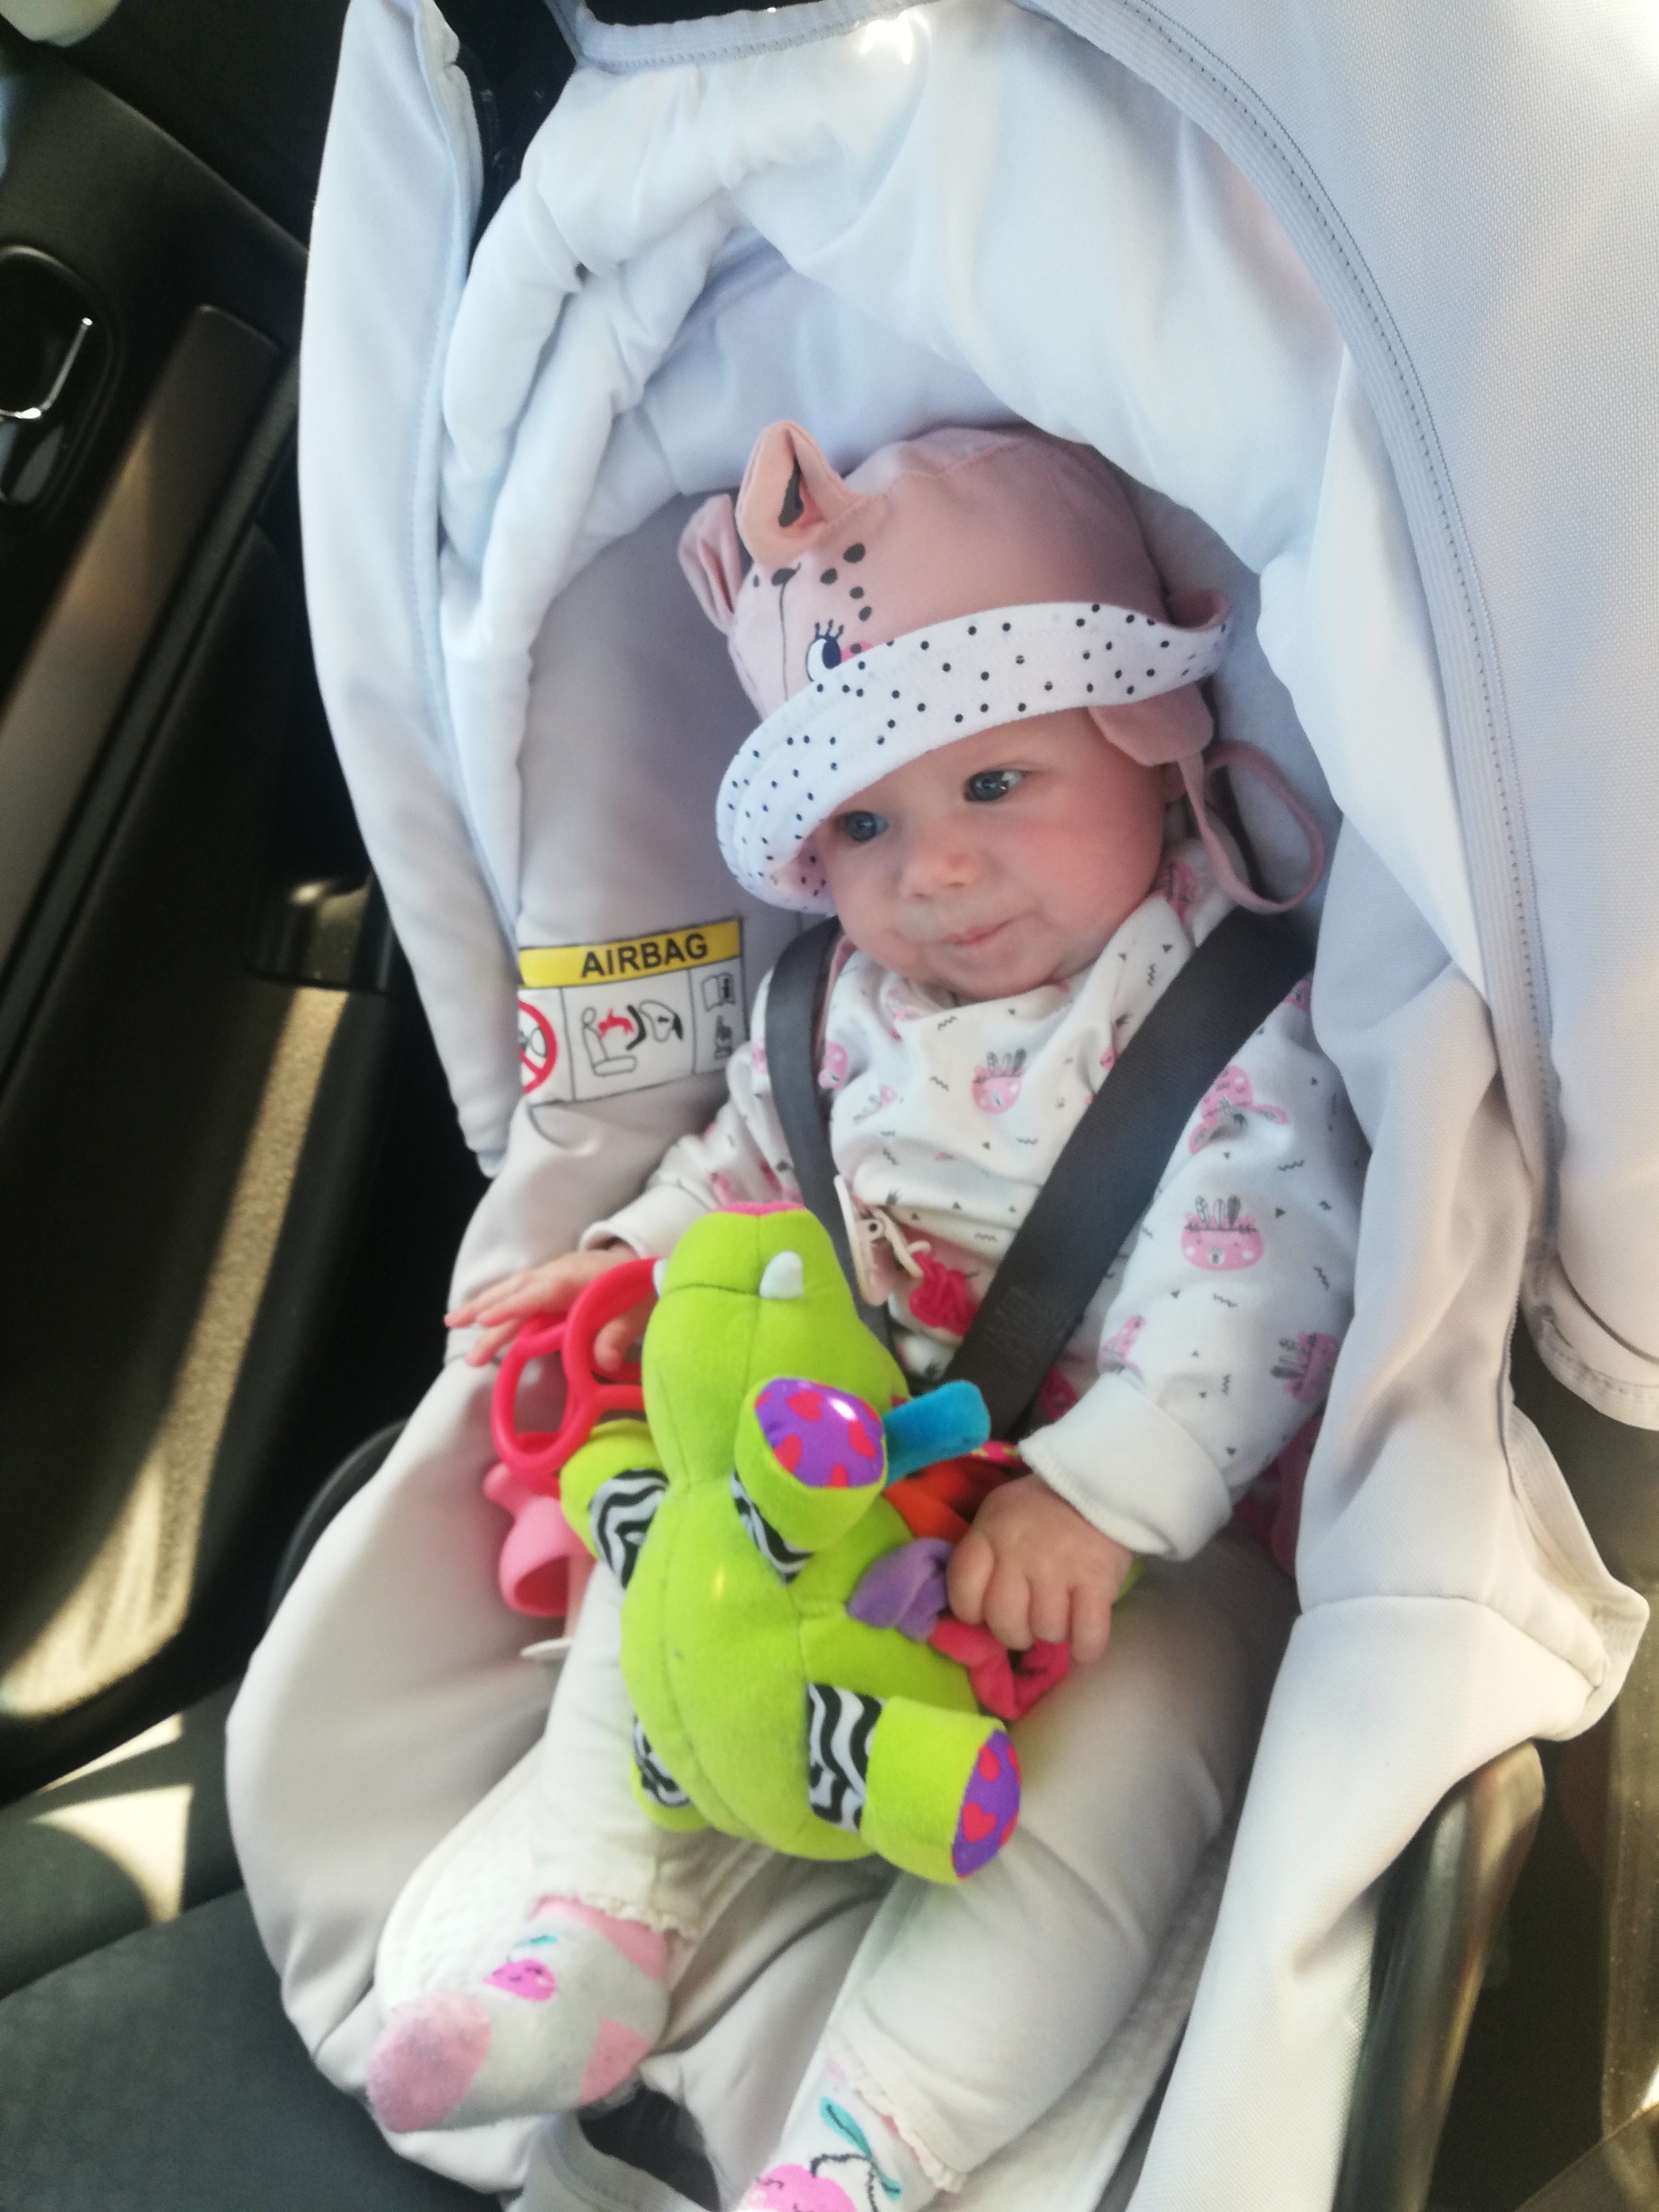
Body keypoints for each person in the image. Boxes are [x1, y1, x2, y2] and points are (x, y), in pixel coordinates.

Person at [364, 422, 1363, 2212]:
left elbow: (1268, 1273)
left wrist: (1104, 1498)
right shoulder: (835, 1005)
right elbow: (758, 1167)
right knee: (661, 1562)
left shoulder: (1224, 1009)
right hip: (851, 1466)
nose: (937, 873)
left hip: (1144, 1531)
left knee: (1150, 1739)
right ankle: (593, 1934)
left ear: (1152, 740)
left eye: (999, 783)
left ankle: (870, 2140)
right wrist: (638, 1258)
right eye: (867, 824)